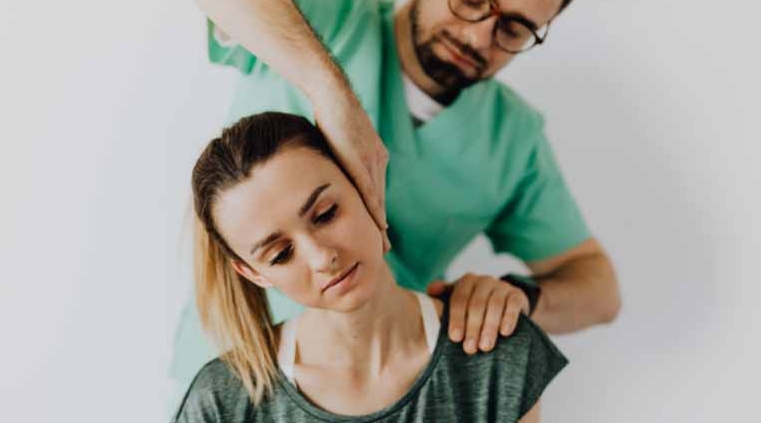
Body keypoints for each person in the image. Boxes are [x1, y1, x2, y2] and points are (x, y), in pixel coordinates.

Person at [173, 0, 621, 391]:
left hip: (396, 387)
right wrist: (331, 93)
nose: (480, 35)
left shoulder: (512, 139)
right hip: (245, 369)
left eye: (514, 29)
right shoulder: (331, 18)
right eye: (471, 0)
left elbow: (600, 291)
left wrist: (518, 299)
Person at [172, 111, 567, 422]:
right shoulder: (222, 402)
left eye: (326, 214)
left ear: (366, 187)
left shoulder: (497, 358)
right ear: (254, 273)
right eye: (280, 254)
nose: (322, 257)